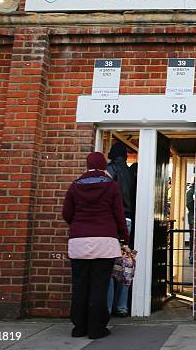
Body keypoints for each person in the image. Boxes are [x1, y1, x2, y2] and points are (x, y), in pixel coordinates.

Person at [63, 152, 129, 340]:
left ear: (87, 165)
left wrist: (79, 225)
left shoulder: (74, 186)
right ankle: (97, 328)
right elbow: (118, 216)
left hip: (78, 242)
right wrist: (124, 238)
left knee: (80, 285)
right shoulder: (111, 186)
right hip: (105, 241)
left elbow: (67, 213)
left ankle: (79, 327)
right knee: (99, 285)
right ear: (102, 166)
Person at [106, 142, 136, 317]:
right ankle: (122, 306)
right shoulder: (130, 171)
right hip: (129, 220)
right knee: (125, 266)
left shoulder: (110, 170)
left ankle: (107, 307)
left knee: (109, 267)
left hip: (113, 221)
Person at [186, 180, 195, 265]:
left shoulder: (191, 191)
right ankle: (192, 255)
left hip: (192, 217)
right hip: (193, 217)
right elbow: (189, 204)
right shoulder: (191, 191)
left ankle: (192, 254)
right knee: (192, 236)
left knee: (192, 237)